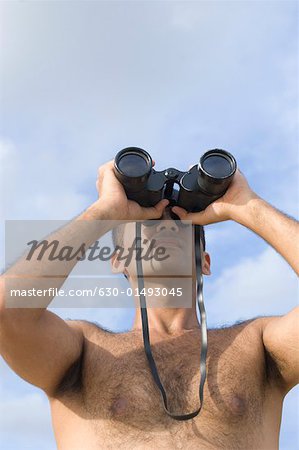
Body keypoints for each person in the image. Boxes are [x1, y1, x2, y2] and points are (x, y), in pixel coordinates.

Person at [0, 159, 298, 450]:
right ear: (118, 260)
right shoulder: (85, 351)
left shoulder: (258, 346)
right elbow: (6, 309)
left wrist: (249, 207)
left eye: (182, 223)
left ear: (205, 262)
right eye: (148, 223)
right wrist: (105, 212)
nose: (166, 227)